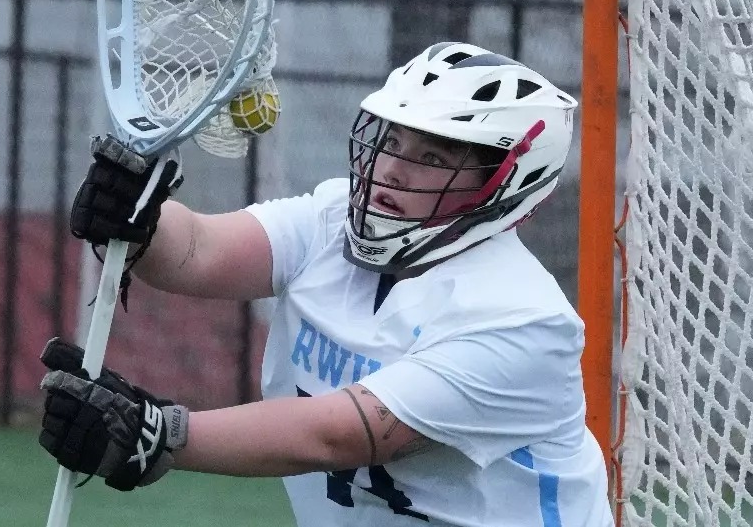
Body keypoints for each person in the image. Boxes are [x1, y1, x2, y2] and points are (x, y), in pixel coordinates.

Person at [36, 41, 613, 527]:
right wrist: (138, 218)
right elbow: (198, 252)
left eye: (433, 158)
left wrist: (157, 436)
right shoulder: (334, 217)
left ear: (504, 184)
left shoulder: (522, 320)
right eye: (392, 142)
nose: (391, 169)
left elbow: (340, 435)